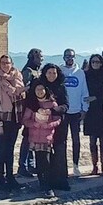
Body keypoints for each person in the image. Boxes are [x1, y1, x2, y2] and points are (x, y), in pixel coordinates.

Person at [0, 54, 25, 191]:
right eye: (3, 63)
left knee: (10, 150)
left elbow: (22, 97)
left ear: (11, 64)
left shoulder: (18, 78)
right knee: (1, 149)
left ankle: (10, 176)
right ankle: (1, 178)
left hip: (15, 119)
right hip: (2, 119)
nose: (5, 65)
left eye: (7, 63)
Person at [21, 83, 62, 197]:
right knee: (39, 161)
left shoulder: (52, 103)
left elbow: (58, 119)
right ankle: (42, 183)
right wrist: (34, 124)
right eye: (37, 89)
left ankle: (48, 185)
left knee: (46, 161)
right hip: (34, 137)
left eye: (41, 89)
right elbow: (25, 120)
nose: (39, 91)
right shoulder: (32, 105)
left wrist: (49, 125)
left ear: (46, 90)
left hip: (47, 137)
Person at [39, 63, 71, 191]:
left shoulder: (61, 87)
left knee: (60, 152)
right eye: (49, 73)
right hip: (43, 124)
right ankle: (46, 182)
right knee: (44, 154)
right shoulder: (40, 86)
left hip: (59, 124)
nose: (52, 75)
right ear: (45, 74)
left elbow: (66, 104)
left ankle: (61, 180)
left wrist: (57, 109)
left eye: (54, 73)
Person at [59, 48, 89, 176]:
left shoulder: (80, 73)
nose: (69, 59)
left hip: (76, 111)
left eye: (71, 56)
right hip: (64, 112)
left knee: (76, 140)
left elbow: (84, 91)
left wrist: (84, 108)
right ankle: (62, 167)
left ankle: (76, 165)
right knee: (62, 140)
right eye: (67, 56)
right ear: (63, 58)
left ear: (75, 57)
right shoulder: (60, 71)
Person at [17, 48, 44, 178]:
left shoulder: (37, 71)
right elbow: (24, 89)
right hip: (29, 108)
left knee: (33, 137)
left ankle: (30, 164)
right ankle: (22, 165)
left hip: (37, 109)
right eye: (39, 57)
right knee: (27, 138)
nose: (41, 59)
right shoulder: (28, 71)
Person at [84, 53, 103, 175]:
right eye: (93, 62)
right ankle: (94, 166)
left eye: (97, 62)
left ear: (101, 63)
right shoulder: (86, 75)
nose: (95, 64)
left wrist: (95, 98)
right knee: (92, 140)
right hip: (90, 111)